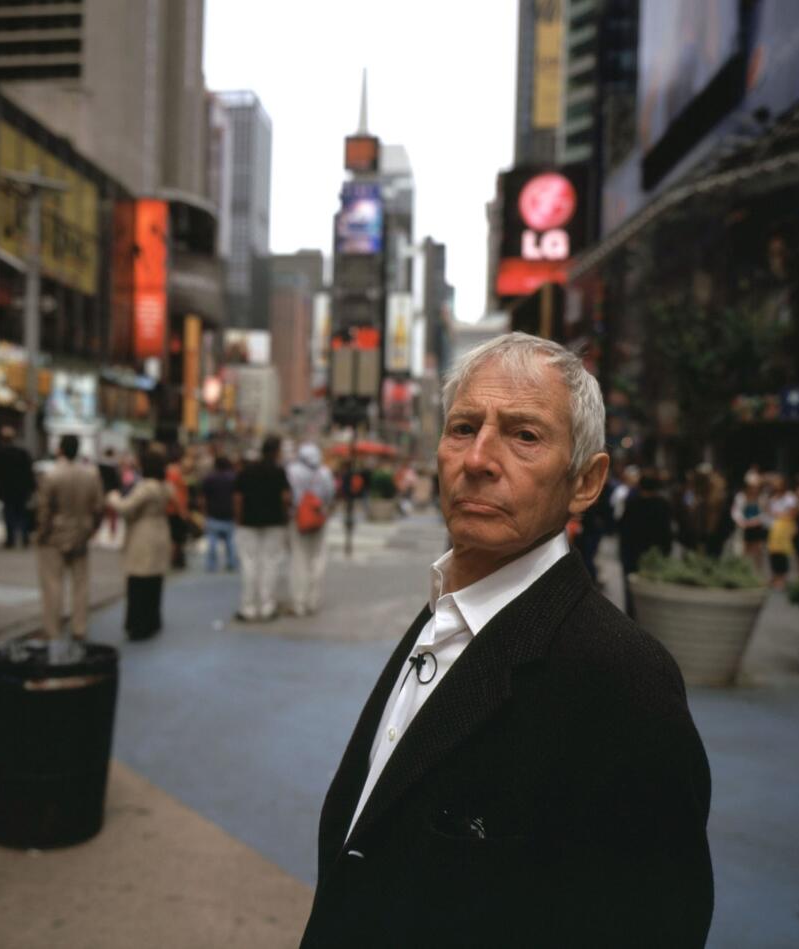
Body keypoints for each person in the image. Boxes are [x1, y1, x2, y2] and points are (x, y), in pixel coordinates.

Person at [301, 333, 712, 948]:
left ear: (586, 482)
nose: (479, 458)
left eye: (524, 435)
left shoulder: (625, 681)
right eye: (464, 428)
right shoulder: (441, 614)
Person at [35, 435, 104, 642]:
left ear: (60, 450)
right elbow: (98, 507)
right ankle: (79, 628)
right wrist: (92, 529)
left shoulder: (51, 475)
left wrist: (41, 534)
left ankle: (52, 629)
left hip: (54, 537)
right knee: (80, 584)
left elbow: (44, 511)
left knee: (53, 585)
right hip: (81, 534)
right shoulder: (90, 475)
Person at [108, 445, 172, 640]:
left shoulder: (146, 487)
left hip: (143, 536)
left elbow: (125, 508)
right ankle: (153, 621)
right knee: (154, 582)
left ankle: (138, 625)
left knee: (138, 582)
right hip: (160, 533)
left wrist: (112, 497)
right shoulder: (164, 487)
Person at [232, 435, 291, 622]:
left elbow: (238, 498)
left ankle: (248, 607)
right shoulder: (279, 472)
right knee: (270, 564)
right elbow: (286, 498)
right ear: (276, 451)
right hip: (274, 523)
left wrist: (239, 520)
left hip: (248, 523)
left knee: (249, 564)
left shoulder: (247, 470)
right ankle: (267, 606)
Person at [286, 443, 336, 616]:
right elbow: (330, 495)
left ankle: (299, 603)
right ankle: (313, 601)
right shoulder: (325, 472)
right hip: (319, 519)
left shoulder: (292, 471)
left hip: (297, 520)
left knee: (299, 560)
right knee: (317, 560)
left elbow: (288, 495)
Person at [618, 472, 675, 618]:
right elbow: (667, 533)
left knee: (631, 590)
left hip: (632, 553)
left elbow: (623, 530)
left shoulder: (632, 504)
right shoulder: (663, 505)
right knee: (653, 587)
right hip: (654, 554)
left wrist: (622, 554)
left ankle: (632, 618)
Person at [0, 426, 36, 549]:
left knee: (9, 513)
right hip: (21, 490)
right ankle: (24, 539)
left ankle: (10, 540)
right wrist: (32, 488)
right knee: (22, 514)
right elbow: (29, 472)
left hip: (7, 490)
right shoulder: (22, 453)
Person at [200, 454, 239, 572]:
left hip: (213, 513)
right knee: (231, 541)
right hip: (229, 513)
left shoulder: (209, 479)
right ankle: (232, 563)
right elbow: (236, 497)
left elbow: (203, 498)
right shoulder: (233, 478)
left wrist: (204, 512)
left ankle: (211, 565)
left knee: (212, 542)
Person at [730, 471, 769, 573]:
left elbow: (765, 513)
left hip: (757, 527)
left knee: (758, 551)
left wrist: (755, 521)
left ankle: (757, 573)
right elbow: (735, 511)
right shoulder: (740, 496)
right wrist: (742, 521)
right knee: (742, 550)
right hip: (744, 527)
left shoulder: (762, 498)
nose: (754, 489)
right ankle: (741, 573)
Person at [766, 472, 798, 589]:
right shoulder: (772, 497)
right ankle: (775, 576)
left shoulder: (790, 497)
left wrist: (779, 515)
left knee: (782, 553)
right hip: (773, 528)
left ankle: (782, 578)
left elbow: (793, 513)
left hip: (784, 528)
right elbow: (768, 511)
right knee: (773, 553)